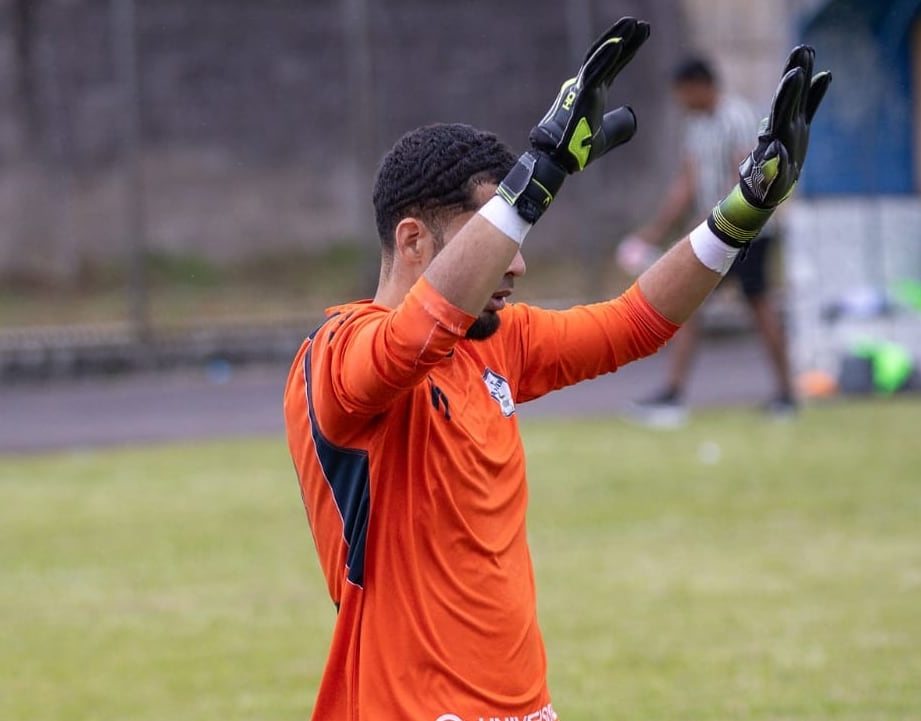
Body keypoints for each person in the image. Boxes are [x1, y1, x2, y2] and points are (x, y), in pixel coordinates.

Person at [283, 17, 830, 721]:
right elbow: (410, 337)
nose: (516, 261)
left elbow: (634, 323)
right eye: (495, 233)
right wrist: (542, 171)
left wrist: (742, 212)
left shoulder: (496, 342)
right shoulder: (335, 355)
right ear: (413, 240)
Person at [619, 56, 798, 426]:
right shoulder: (696, 126)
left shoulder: (738, 118)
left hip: (749, 231)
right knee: (689, 306)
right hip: (714, 231)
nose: (680, 101)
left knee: (759, 305)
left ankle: (786, 394)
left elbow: (744, 177)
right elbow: (686, 184)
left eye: (683, 93)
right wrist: (654, 231)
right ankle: (673, 394)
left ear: (700, 86)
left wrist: (712, 219)